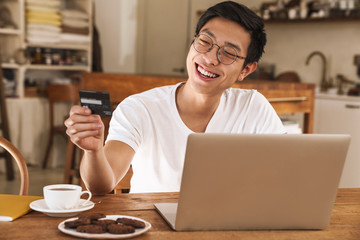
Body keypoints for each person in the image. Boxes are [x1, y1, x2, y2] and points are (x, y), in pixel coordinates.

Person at [65, 1, 286, 195]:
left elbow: (287, 176)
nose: (210, 59)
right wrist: (93, 152)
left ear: (246, 70)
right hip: (152, 227)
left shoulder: (252, 107)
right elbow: (101, 187)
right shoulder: (139, 108)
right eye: (205, 42)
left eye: (228, 53)